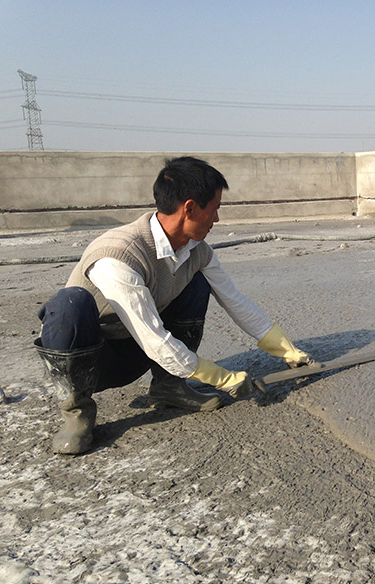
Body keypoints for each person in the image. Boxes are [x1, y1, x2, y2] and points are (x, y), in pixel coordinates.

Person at [34, 156, 315, 455]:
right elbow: (152, 338)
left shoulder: (198, 252)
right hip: (96, 359)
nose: (217, 220)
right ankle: (76, 412)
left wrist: (285, 348)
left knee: (197, 283)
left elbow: (234, 300)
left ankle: (169, 386)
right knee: (69, 304)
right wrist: (222, 378)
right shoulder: (117, 255)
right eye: (215, 209)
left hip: (137, 352)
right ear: (190, 208)